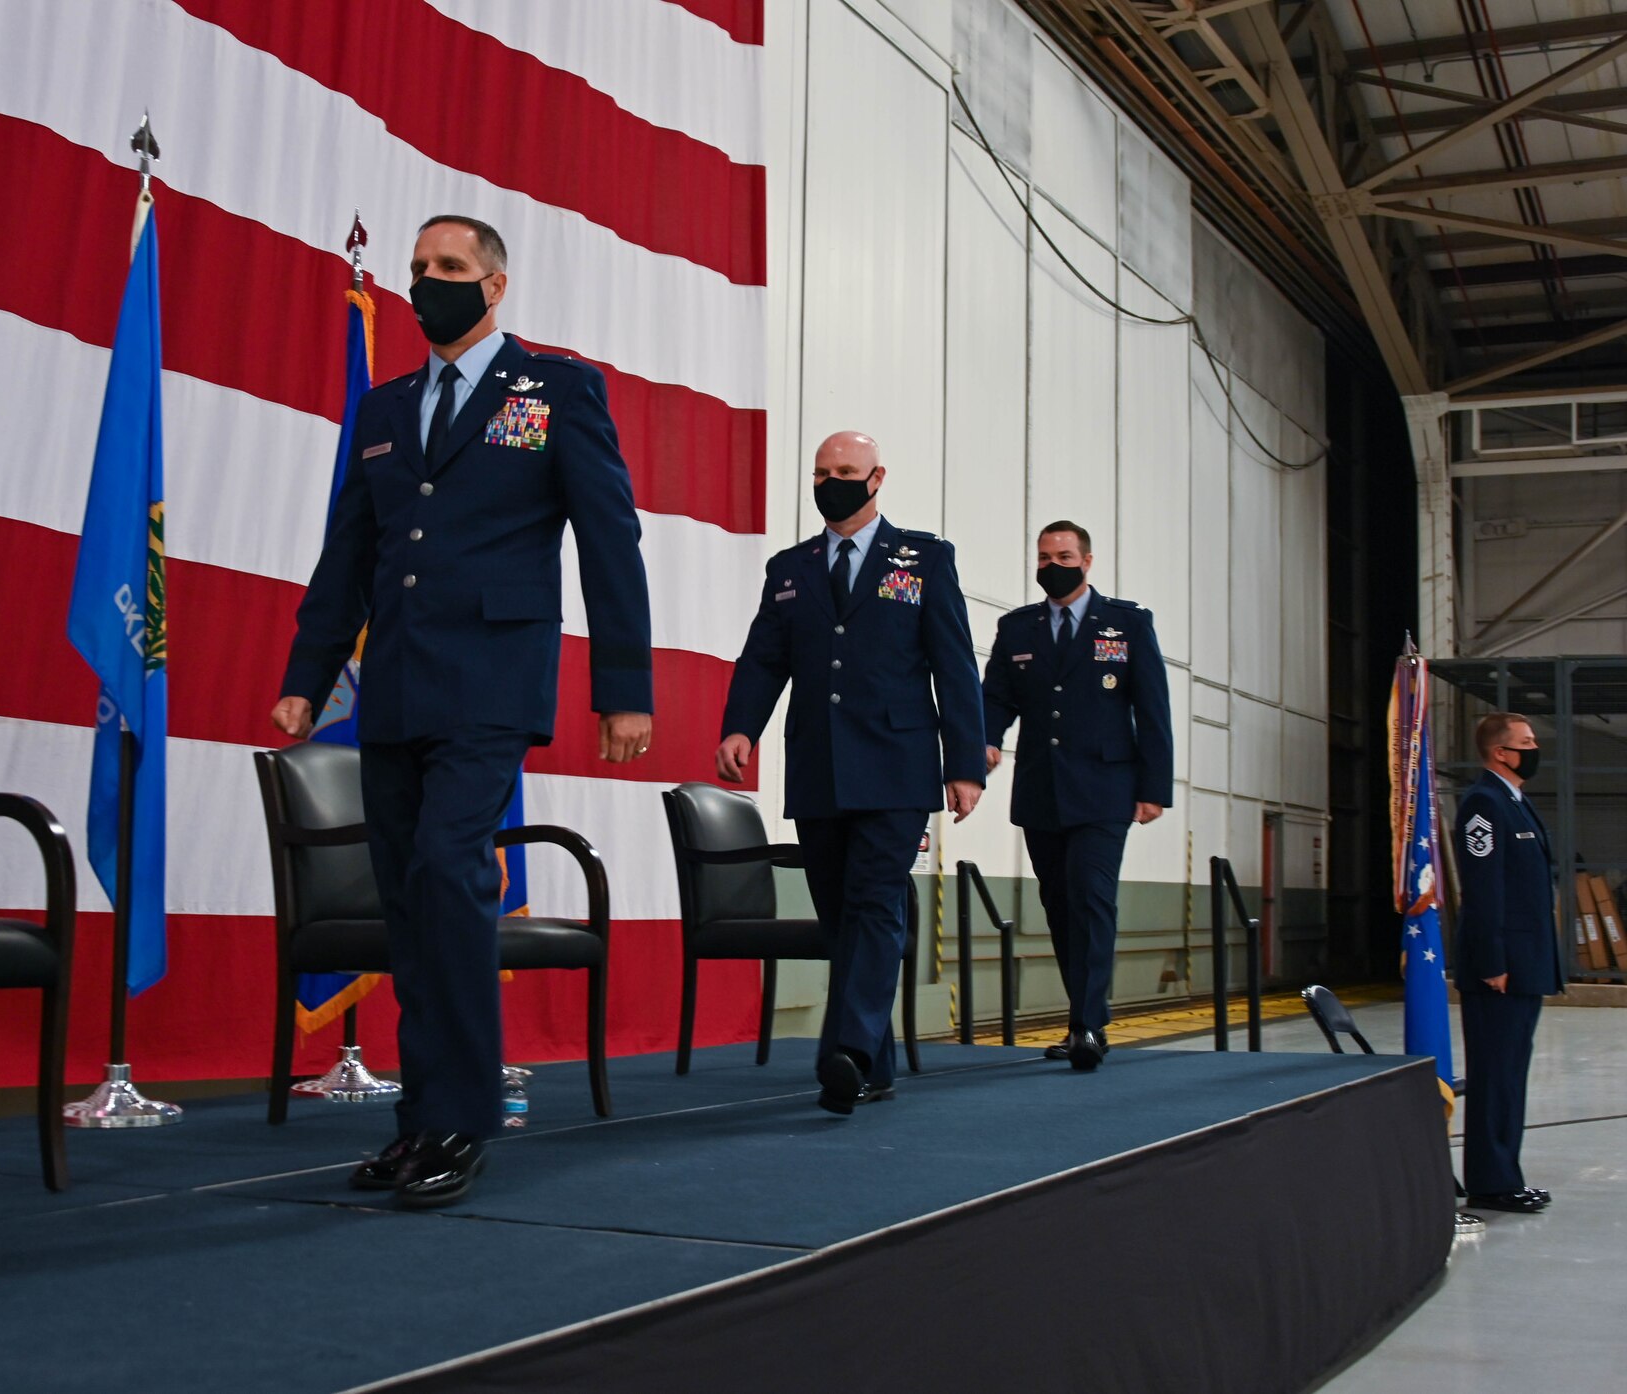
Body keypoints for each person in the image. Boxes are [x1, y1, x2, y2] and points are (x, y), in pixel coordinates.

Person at [272, 215, 653, 1206]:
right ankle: (419, 1120)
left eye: (447, 268)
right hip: (395, 683)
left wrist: (623, 691)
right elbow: (346, 555)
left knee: (449, 872)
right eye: (416, 270)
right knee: (408, 899)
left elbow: (610, 540)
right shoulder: (385, 406)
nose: (425, 283)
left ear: (494, 284)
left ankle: (465, 1116)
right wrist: (307, 676)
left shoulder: (555, 388)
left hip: (490, 681)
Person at [716, 431, 985, 1114]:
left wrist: (964, 764)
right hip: (818, 765)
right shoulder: (791, 567)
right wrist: (741, 726)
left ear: (876, 478)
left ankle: (845, 1052)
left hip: (897, 765)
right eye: (821, 471)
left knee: (874, 902)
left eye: (845, 470)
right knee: (841, 917)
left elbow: (953, 665)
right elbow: (762, 658)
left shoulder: (922, 558)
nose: (831, 481)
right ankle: (876, 1064)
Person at [981, 521, 1172, 1071]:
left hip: (1107, 790)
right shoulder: (1018, 629)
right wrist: (986, 741)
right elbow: (995, 697)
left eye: (1063, 556)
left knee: (1091, 897)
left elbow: (1151, 708)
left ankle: (1088, 1025)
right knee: (1060, 905)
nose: (1051, 566)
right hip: (1043, 789)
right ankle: (1081, 1016)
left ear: (1087, 561)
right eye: (1043, 557)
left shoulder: (1127, 623)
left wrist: (1154, 787)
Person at [1454, 712, 1563, 1214]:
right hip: (1501, 969)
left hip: (1526, 964)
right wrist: (1493, 960)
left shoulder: (1516, 802)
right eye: (1526, 742)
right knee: (1495, 1075)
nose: (1534, 748)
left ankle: (1504, 1173)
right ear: (1501, 752)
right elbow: (1483, 892)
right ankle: (1492, 1182)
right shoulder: (1484, 804)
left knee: (1511, 1073)